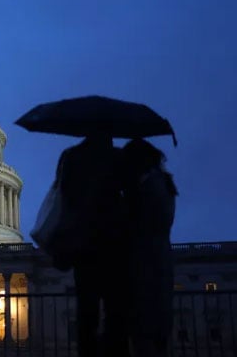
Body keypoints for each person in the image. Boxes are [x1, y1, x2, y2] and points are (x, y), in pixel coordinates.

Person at [52, 133, 129, 357]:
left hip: (84, 247)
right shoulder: (117, 159)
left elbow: (61, 198)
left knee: (87, 313)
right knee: (115, 312)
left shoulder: (72, 158)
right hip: (112, 246)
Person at [121, 138, 178, 357]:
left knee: (144, 329)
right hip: (158, 261)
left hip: (144, 265)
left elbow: (135, 224)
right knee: (157, 328)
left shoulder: (147, 188)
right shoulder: (162, 183)